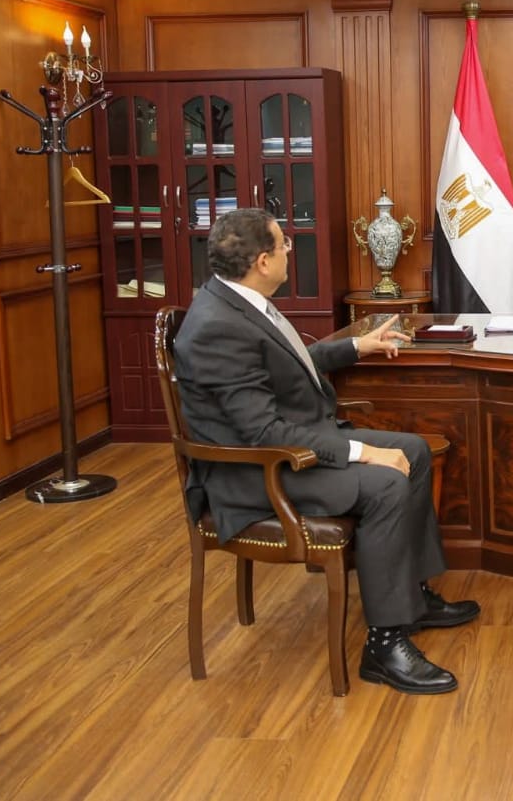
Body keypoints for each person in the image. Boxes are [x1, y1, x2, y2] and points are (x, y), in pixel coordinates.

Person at [173, 208, 478, 695]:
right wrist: (361, 452)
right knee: (384, 484)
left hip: (286, 446)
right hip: (256, 475)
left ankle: (412, 598)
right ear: (262, 261)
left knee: (414, 451)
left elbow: (285, 365)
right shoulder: (217, 326)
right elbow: (263, 430)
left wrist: (357, 347)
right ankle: (385, 644)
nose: (289, 250)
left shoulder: (239, 301)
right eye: (283, 243)